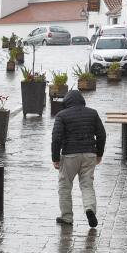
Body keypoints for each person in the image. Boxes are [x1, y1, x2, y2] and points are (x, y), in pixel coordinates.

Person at [51, 90, 106, 228]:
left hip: (70, 154)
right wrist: (99, 154)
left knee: (65, 185)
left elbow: (56, 138)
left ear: (66, 102)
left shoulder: (61, 115)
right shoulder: (92, 113)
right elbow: (101, 135)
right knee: (87, 185)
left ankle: (67, 217)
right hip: (89, 154)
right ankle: (90, 209)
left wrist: (55, 158)